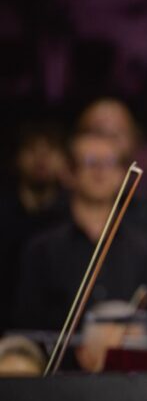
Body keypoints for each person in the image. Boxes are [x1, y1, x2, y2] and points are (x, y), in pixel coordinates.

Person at [14, 132, 147, 330]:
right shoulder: (42, 249)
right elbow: (28, 327)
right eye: (90, 162)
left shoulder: (146, 251)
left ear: (121, 174)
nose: (100, 171)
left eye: (109, 163)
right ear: (69, 174)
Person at [0, 123, 70, 332]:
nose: (41, 159)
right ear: (17, 157)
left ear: (64, 160)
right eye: (32, 149)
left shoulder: (71, 216)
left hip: (54, 330)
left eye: (50, 150)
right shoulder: (4, 212)